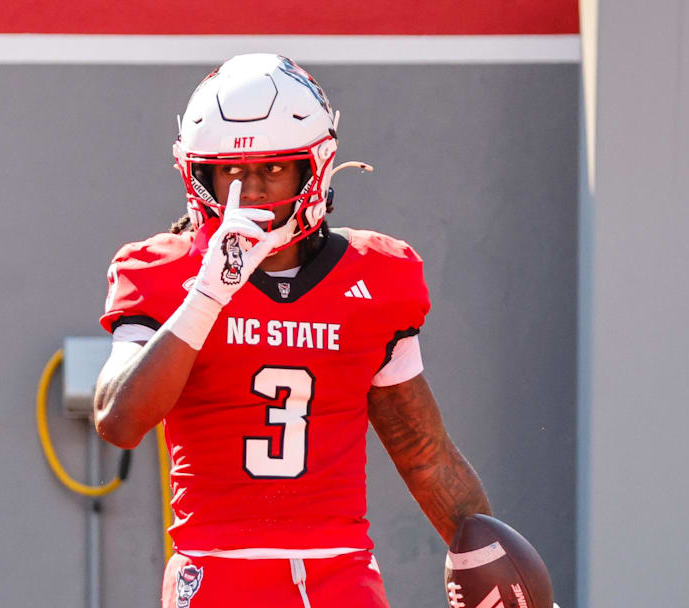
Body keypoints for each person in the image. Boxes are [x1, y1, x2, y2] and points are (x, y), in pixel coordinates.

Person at [94, 54, 491, 608]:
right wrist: (207, 295)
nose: (251, 191)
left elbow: (424, 453)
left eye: (273, 167)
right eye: (231, 170)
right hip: (216, 574)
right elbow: (118, 420)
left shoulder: (375, 276)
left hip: (341, 574)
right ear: (198, 172)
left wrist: (492, 557)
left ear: (316, 166)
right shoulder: (165, 273)